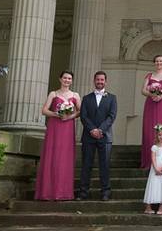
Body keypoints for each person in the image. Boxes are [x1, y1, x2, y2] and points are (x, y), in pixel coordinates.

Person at [34, 70, 80, 200]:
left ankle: (63, 192)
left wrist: (70, 116)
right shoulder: (53, 94)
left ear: (71, 81)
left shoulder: (75, 95)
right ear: (60, 79)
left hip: (68, 127)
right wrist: (56, 114)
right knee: (52, 155)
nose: (67, 80)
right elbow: (44, 110)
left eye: (69, 78)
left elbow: (80, 111)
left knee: (64, 157)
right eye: (65, 78)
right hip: (55, 126)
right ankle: (47, 192)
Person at [77, 70, 117, 201]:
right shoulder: (86, 98)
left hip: (105, 137)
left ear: (106, 81)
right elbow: (83, 116)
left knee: (104, 165)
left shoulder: (112, 98)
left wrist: (100, 130)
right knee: (86, 164)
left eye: (102, 80)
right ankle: (83, 192)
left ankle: (105, 192)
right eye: (97, 80)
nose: (100, 82)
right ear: (94, 81)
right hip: (88, 136)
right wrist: (92, 130)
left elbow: (111, 116)